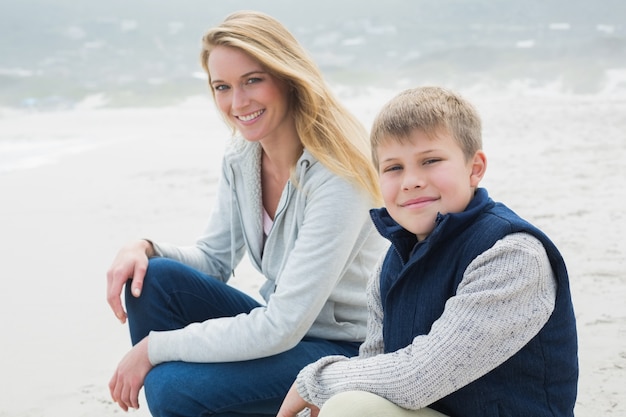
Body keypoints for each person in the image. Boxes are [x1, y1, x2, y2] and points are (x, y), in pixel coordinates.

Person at [105, 10, 388, 417]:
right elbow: (213, 261)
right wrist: (143, 247)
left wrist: (153, 349)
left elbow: (282, 325)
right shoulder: (243, 156)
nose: (238, 103)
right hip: (287, 332)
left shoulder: (337, 176)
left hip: (344, 349)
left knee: (170, 387)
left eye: (253, 80)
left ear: (287, 77)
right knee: (154, 278)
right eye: (223, 87)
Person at [277, 86, 579, 417]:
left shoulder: (512, 255)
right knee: (344, 403)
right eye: (393, 168)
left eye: (430, 160)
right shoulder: (390, 263)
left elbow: (417, 377)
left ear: (474, 168)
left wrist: (315, 379)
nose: (411, 181)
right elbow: (374, 367)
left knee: (351, 407)